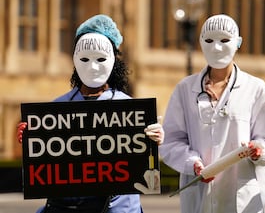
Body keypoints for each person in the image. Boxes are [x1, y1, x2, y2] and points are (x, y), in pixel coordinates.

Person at [17, 14, 164, 213]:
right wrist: (31, 138)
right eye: (84, 59)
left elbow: (146, 165)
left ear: (113, 60)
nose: (92, 67)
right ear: (74, 60)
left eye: (100, 59)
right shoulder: (56, 108)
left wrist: (155, 141)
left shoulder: (129, 108)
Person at [159, 14, 265, 213]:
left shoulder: (257, 89)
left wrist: (259, 149)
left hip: (241, 199)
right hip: (199, 197)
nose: (216, 47)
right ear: (200, 42)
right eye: (209, 40)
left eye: (225, 40)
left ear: (238, 43)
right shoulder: (185, 88)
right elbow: (171, 141)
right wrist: (193, 164)